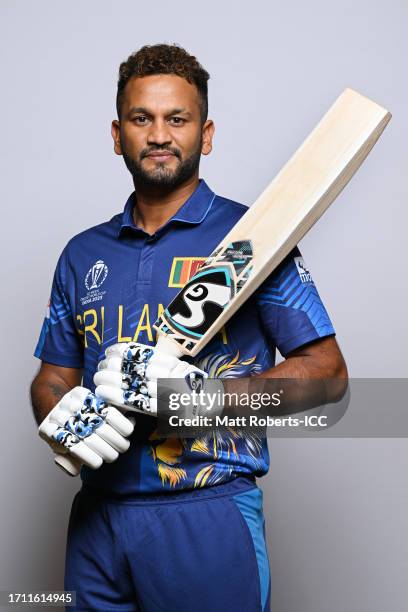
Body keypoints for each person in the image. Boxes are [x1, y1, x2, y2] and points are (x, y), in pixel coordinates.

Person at [31, 43, 348, 612]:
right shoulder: (82, 253)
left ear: (205, 133)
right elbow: (51, 377)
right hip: (97, 518)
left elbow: (328, 378)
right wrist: (59, 420)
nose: (158, 135)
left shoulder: (252, 239)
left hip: (206, 511)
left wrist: (207, 398)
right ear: (116, 133)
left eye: (176, 119)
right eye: (141, 118)